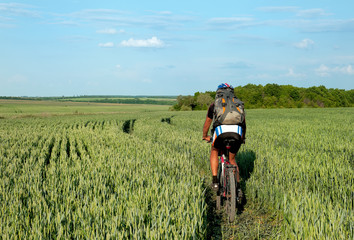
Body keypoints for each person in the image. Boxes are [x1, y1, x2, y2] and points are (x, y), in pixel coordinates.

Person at [202, 83, 246, 195]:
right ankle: (239, 187)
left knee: (214, 150)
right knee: (232, 160)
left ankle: (215, 181)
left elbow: (208, 123)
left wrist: (205, 135)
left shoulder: (215, 105)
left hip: (220, 134)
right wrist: (242, 138)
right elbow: (243, 123)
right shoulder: (238, 104)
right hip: (237, 134)